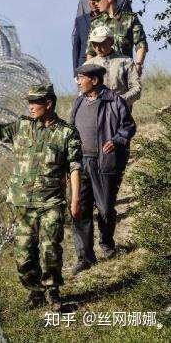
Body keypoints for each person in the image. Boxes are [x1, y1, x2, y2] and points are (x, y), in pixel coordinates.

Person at [0, 84, 82, 311]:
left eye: (35, 102)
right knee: (24, 254)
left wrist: (75, 200)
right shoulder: (22, 126)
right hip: (22, 203)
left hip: (51, 203)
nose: (30, 106)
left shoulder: (67, 133)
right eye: (29, 102)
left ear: (48, 104)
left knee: (50, 250)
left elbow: (75, 168)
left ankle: (52, 293)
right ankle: (35, 291)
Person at [70, 64, 136, 275]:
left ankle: (107, 244)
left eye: (81, 78)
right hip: (80, 164)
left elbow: (129, 127)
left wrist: (116, 140)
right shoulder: (78, 101)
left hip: (104, 163)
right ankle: (85, 257)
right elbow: (71, 131)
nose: (78, 82)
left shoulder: (115, 101)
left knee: (106, 208)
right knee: (80, 208)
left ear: (95, 81)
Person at [86, 0, 148, 76]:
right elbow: (90, 51)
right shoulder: (96, 23)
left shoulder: (130, 19)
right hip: (102, 74)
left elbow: (141, 44)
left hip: (124, 72)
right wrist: (90, 72)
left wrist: (138, 65)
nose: (96, 3)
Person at [85, 25, 141, 107]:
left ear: (111, 41)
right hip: (95, 113)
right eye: (94, 44)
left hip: (121, 113)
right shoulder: (88, 66)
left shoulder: (126, 62)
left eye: (101, 43)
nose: (97, 48)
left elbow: (136, 89)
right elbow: (82, 93)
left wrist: (119, 101)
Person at [72, 0, 99, 76]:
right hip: (83, 66)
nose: (93, 3)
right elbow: (76, 47)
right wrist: (76, 72)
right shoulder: (80, 20)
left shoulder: (109, 19)